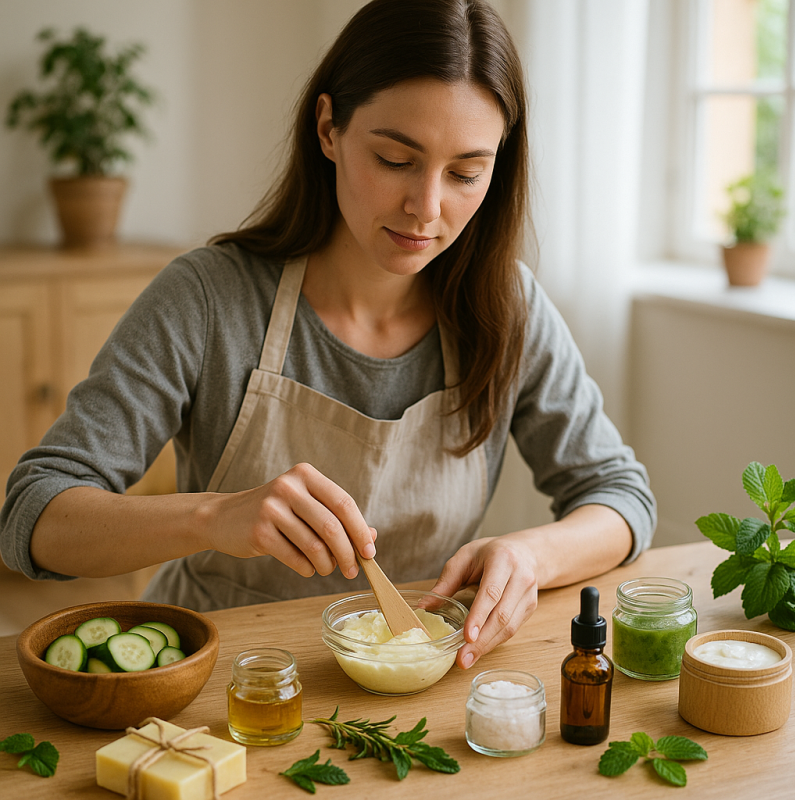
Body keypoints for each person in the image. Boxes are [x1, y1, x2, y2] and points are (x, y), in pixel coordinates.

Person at [0, 0, 655, 670]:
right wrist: (214, 518)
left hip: (418, 683)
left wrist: (531, 554)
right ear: (328, 129)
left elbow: (621, 498)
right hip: (226, 681)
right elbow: (34, 514)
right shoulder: (210, 298)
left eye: (465, 173)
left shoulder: (506, 306)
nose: (427, 207)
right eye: (395, 159)